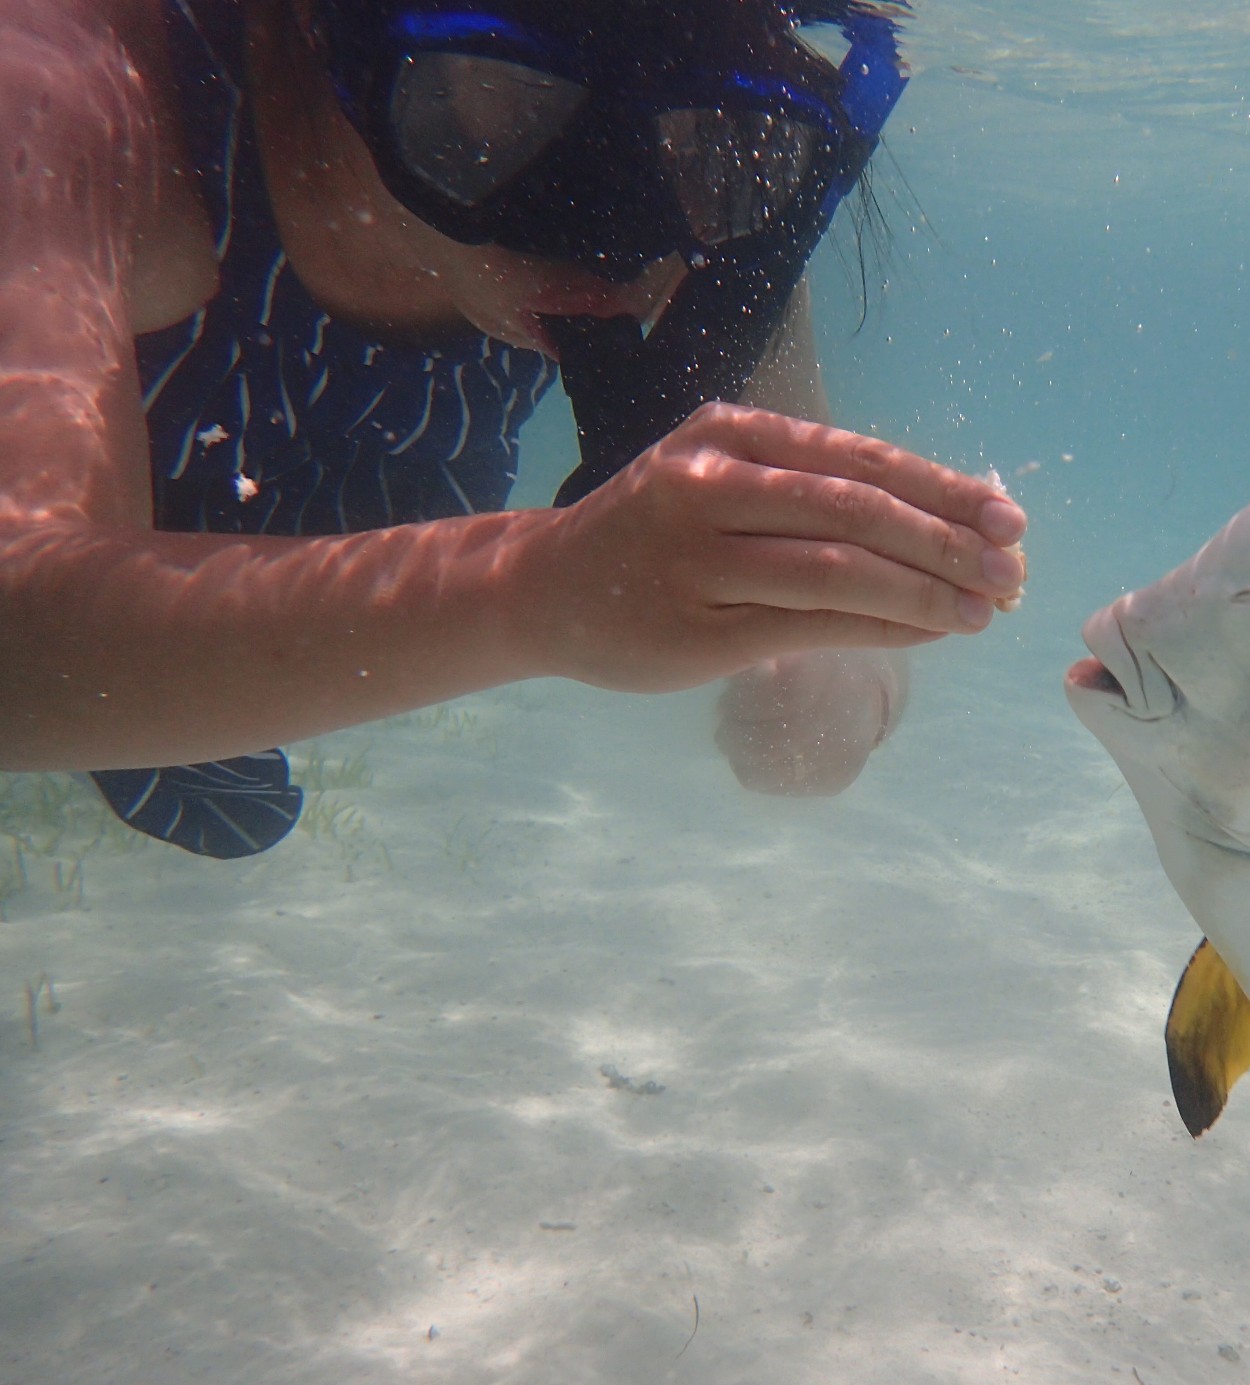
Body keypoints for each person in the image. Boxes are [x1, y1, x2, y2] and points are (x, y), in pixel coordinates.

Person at [0, 0, 1027, 856]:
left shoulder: (703, 193)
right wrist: (535, 595)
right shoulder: (70, 89)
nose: (619, 227)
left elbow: (823, 579)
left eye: (717, 128)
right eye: (527, 88)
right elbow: (22, 628)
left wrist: (834, 678)